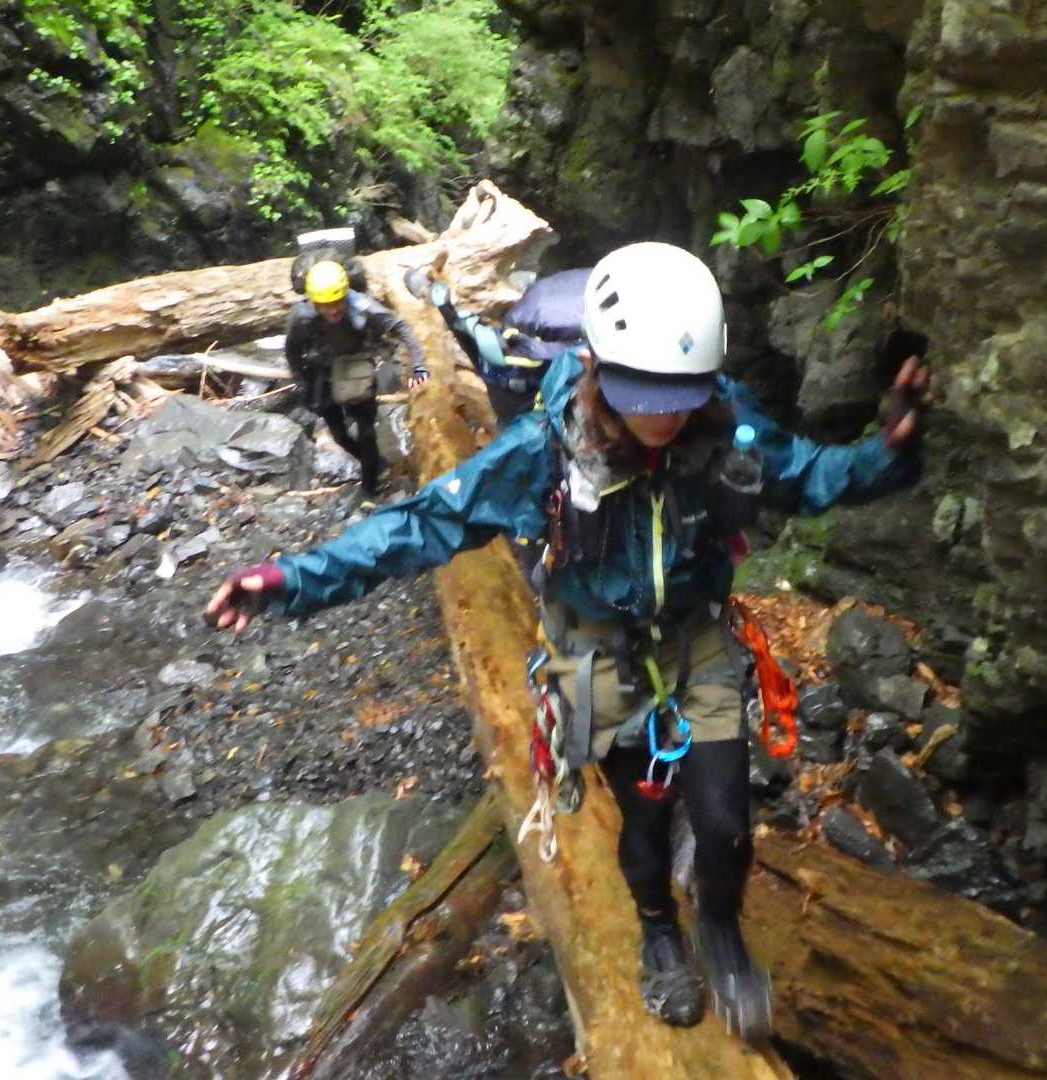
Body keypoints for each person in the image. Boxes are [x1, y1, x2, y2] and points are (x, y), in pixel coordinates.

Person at [208, 242, 928, 1040]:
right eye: (644, 395)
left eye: (680, 397)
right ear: (595, 365)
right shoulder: (545, 451)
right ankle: (659, 932)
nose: (664, 417)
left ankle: (720, 930)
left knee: (725, 821)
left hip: (694, 638)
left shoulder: (727, 426)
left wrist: (890, 450)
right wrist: (289, 580)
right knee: (644, 816)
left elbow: (813, 475)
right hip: (595, 650)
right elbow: (422, 524)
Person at [285, 260, 429, 496]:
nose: (333, 310)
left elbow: (401, 327)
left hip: (355, 369)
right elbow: (292, 350)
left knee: (366, 431)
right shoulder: (300, 317)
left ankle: (369, 487)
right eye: (326, 305)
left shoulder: (362, 307)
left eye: (337, 303)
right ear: (314, 302)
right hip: (320, 374)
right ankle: (377, 463)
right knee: (340, 435)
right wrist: (301, 381)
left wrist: (419, 364)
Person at [404, 265, 591, 427]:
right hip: (524, 349)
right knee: (479, 346)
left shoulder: (553, 350)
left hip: (527, 391)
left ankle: (440, 302)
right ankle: (438, 301)